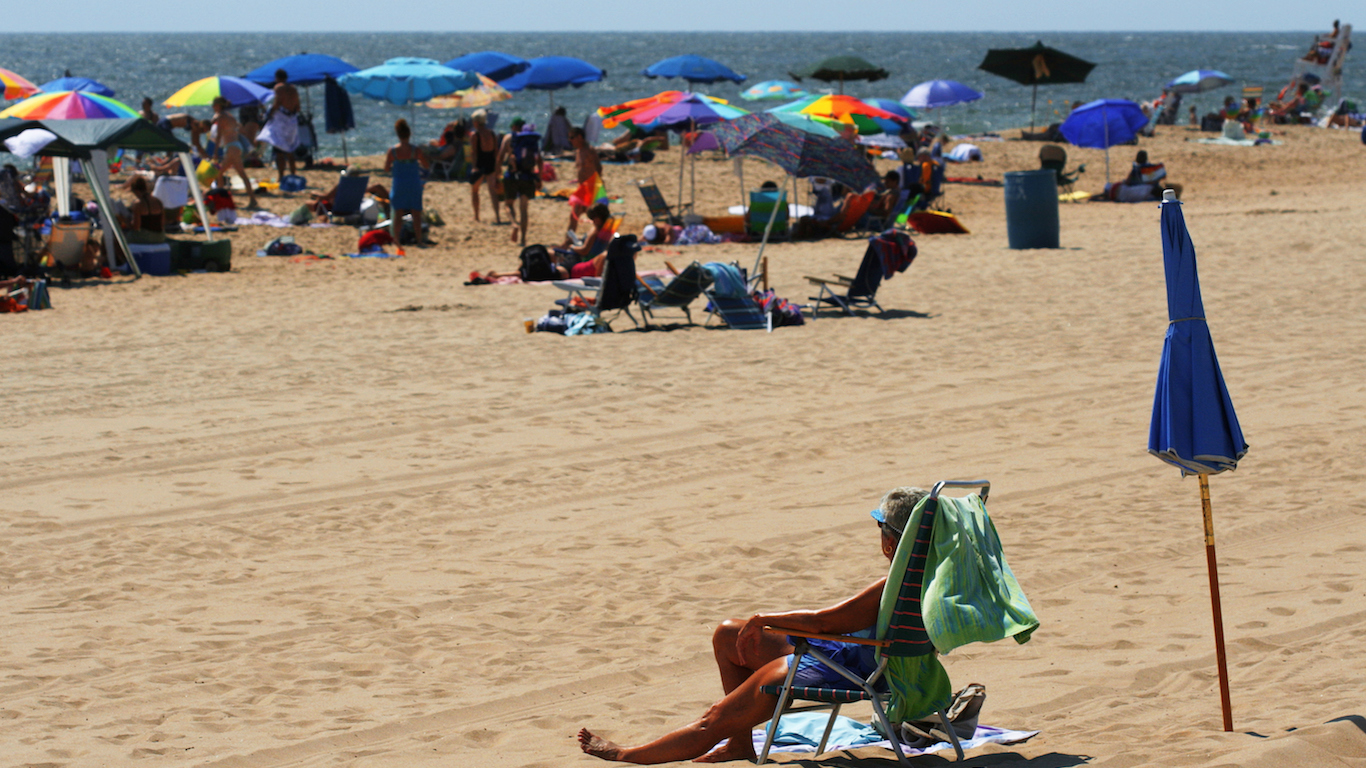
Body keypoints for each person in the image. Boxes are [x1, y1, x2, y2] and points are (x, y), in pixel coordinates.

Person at [577, 486, 928, 764]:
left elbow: (822, 622)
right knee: (730, 633)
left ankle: (627, 754)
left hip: (847, 668)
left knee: (714, 719)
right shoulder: (929, 579)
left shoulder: (888, 589)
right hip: (857, 655)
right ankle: (740, 741)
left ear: (889, 540)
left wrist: (764, 619)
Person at [384, 118, 431, 254]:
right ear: (409, 134)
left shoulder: (392, 151)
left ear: (398, 135)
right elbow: (426, 165)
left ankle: (396, 240)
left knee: (398, 213)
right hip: (413, 183)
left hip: (399, 183)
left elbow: (386, 168)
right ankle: (419, 240)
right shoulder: (415, 150)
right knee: (416, 212)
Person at [497, 118, 542, 247]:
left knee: (508, 205)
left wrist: (497, 176)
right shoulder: (532, 142)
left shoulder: (509, 139)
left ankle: (514, 224)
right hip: (528, 176)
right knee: (524, 209)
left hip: (512, 176)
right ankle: (523, 239)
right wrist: (539, 178)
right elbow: (540, 161)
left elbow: (499, 158)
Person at [210, 97, 258, 208]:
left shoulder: (221, 116)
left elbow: (218, 136)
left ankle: (220, 200)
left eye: (214, 105)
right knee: (241, 174)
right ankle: (252, 200)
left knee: (219, 174)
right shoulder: (230, 116)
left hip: (231, 147)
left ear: (218, 105)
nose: (212, 107)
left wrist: (215, 152)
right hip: (236, 146)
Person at [258, 69, 301, 184]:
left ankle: (281, 176)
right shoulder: (293, 88)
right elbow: (298, 107)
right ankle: (293, 175)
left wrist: (269, 114)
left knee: (279, 150)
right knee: (290, 149)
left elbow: (277, 103)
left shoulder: (278, 88)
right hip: (292, 120)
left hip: (282, 121)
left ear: (277, 77)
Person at [469, 110, 502, 224]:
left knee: (475, 190)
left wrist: (474, 167)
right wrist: (498, 167)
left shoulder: (475, 135)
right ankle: (497, 216)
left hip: (480, 164)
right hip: (491, 163)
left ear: (477, 122)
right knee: (493, 192)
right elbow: (496, 151)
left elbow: (474, 152)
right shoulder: (492, 133)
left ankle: (476, 216)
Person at [567, 126, 602, 232]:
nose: (570, 140)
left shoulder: (589, 151)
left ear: (580, 137)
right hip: (582, 189)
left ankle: (599, 239)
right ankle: (568, 241)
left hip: (591, 189)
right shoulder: (579, 151)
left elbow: (599, 168)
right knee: (574, 216)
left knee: (596, 218)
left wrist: (596, 186)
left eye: (572, 137)